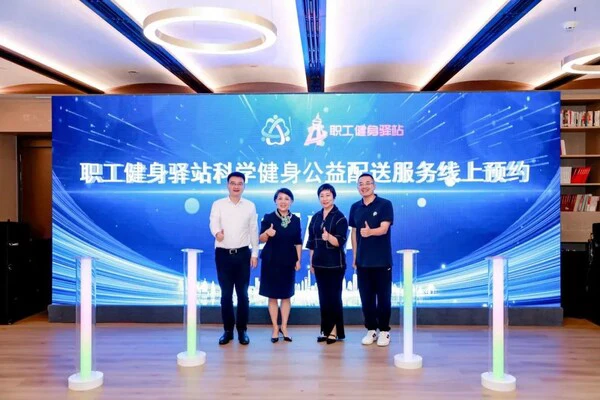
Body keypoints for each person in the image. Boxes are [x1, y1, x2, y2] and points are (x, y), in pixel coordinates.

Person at [209, 171, 258, 345]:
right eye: (233, 183)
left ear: (244, 186)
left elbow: (253, 230)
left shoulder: (250, 206)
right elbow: (213, 222)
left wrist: (254, 253)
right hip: (223, 254)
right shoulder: (218, 204)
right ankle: (228, 331)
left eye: (239, 183)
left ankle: (242, 330)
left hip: (243, 254)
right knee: (226, 295)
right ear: (227, 185)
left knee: (243, 295)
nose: (236, 186)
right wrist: (217, 233)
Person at [349, 173, 394, 347]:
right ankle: (371, 329)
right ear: (357, 187)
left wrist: (370, 232)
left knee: (383, 297)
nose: (364, 186)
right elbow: (354, 233)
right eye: (361, 184)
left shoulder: (385, 204)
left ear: (374, 186)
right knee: (366, 298)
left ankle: (384, 331)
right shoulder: (355, 207)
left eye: (368, 183)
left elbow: (384, 229)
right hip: (363, 261)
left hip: (382, 261)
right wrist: (355, 256)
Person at [259, 188, 302, 343]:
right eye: (280, 198)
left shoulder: (295, 220)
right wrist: (267, 234)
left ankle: (284, 326)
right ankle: (275, 328)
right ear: (275, 201)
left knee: (286, 295)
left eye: (286, 199)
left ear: (291, 202)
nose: (283, 201)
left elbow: (298, 241)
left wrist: (298, 260)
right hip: (271, 261)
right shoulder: (268, 218)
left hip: (288, 261)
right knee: (272, 295)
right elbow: (261, 239)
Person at [306, 183, 348, 345]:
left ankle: (335, 331)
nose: (325, 199)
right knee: (323, 298)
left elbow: (340, 241)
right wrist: (311, 262)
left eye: (328, 195)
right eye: (322, 196)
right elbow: (311, 242)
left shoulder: (340, 217)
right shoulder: (316, 217)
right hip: (319, 263)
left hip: (335, 264)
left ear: (334, 197)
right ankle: (326, 330)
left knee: (334, 298)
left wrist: (329, 237)